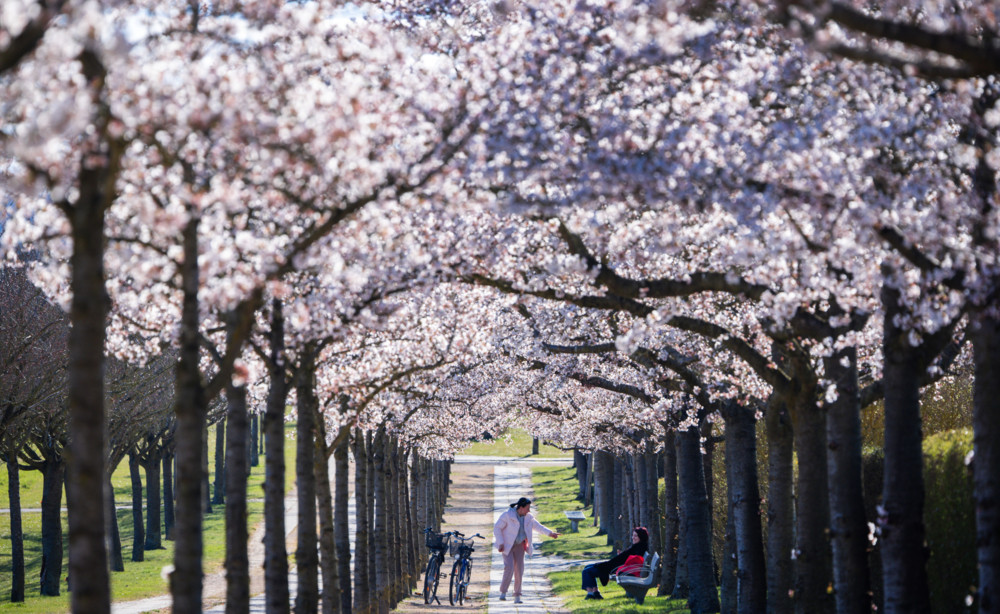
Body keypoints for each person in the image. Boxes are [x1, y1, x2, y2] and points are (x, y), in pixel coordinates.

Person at [493, 496, 559, 604]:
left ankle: (517, 596)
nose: (529, 510)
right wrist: (500, 543)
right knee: (509, 567)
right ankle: (503, 592)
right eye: (527, 508)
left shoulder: (528, 517)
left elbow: (539, 527)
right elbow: (497, 528)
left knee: (519, 569)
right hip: (507, 545)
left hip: (520, 545)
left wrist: (550, 533)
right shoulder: (507, 515)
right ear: (521, 507)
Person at [581, 526, 649, 599]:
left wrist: (621, 557)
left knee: (587, 571)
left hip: (617, 568)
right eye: (633, 535)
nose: (633, 537)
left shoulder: (639, 548)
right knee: (587, 567)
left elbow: (631, 560)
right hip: (617, 566)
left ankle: (591, 594)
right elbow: (628, 558)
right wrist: (621, 555)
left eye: (636, 536)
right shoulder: (637, 547)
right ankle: (595, 592)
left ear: (641, 537)